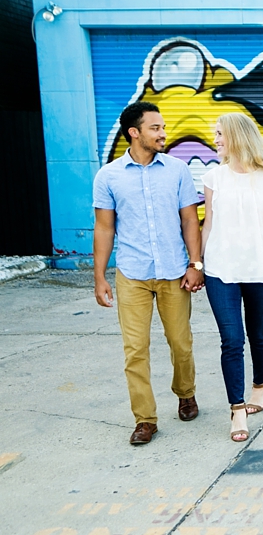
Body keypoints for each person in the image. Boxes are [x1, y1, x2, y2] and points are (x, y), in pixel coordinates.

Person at [92, 101, 205, 446]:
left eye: (163, 127)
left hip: (173, 271)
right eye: (155, 128)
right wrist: (99, 277)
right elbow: (104, 228)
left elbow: (190, 219)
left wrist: (195, 264)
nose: (163, 133)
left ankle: (186, 393)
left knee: (180, 343)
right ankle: (145, 419)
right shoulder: (108, 176)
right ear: (134, 133)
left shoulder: (177, 170)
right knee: (135, 349)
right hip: (132, 274)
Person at [201, 112, 263, 442]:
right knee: (231, 339)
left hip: (261, 268)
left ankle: (260, 385)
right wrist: (198, 264)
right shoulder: (213, 177)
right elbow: (208, 223)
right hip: (220, 269)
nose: (215, 139)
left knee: (257, 333)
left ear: (237, 136)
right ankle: (237, 408)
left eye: (219, 133)